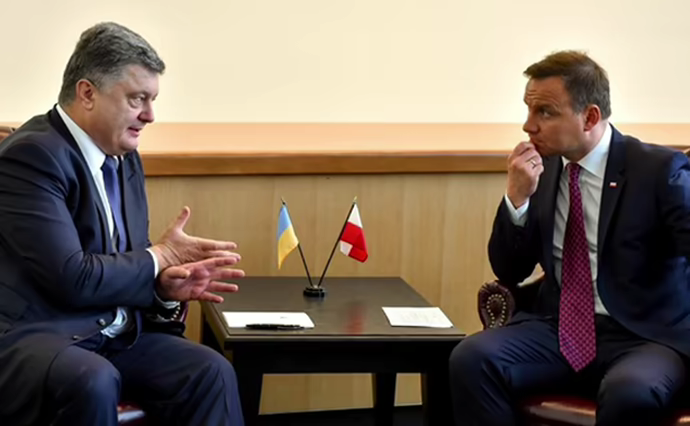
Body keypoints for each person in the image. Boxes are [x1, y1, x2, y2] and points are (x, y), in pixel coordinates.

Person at [0, 22, 245, 425]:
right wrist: (159, 256)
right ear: (87, 93)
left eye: (152, 100)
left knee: (210, 371)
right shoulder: (32, 157)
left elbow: (129, 263)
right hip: (42, 336)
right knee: (93, 379)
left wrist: (163, 287)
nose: (150, 115)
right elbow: (72, 277)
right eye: (137, 99)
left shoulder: (125, 158)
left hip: (113, 334)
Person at [449, 50, 690, 426]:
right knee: (472, 358)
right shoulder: (540, 168)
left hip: (645, 336)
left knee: (630, 391)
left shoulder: (658, 170)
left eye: (545, 112)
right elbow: (510, 270)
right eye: (529, 110)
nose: (528, 126)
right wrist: (517, 200)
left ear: (590, 117)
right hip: (560, 330)